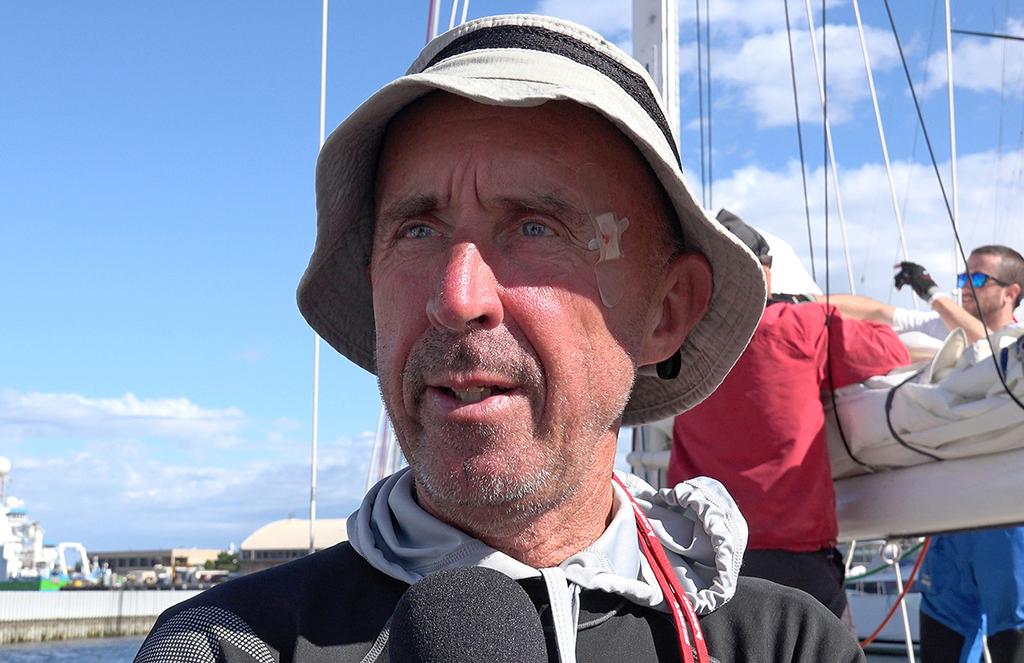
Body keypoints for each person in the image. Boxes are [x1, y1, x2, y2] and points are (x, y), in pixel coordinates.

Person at [134, 15, 863, 663]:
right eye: (417, 230)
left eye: (537, 228)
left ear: (667, 311)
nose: (456, 298)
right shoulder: (229, 644)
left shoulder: (786, 645)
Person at [666, 210, 910, 624]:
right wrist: (813, 304)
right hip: (795, 555)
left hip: (698, 557)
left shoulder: (676, 337)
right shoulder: (802, 324)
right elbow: (891, 350)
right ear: (766, 276)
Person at [827, 245, 1024, 663]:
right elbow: (877, 311)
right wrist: (811, 306)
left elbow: (982, 343)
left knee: (1014, 642)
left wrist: (933, 291)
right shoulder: (939, 326)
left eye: (977, 280)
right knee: (942, 641)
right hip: (946, 519)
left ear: (1012, 292)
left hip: (1005, 524)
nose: (964, 289)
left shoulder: (1016, 344)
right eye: (962, 279)